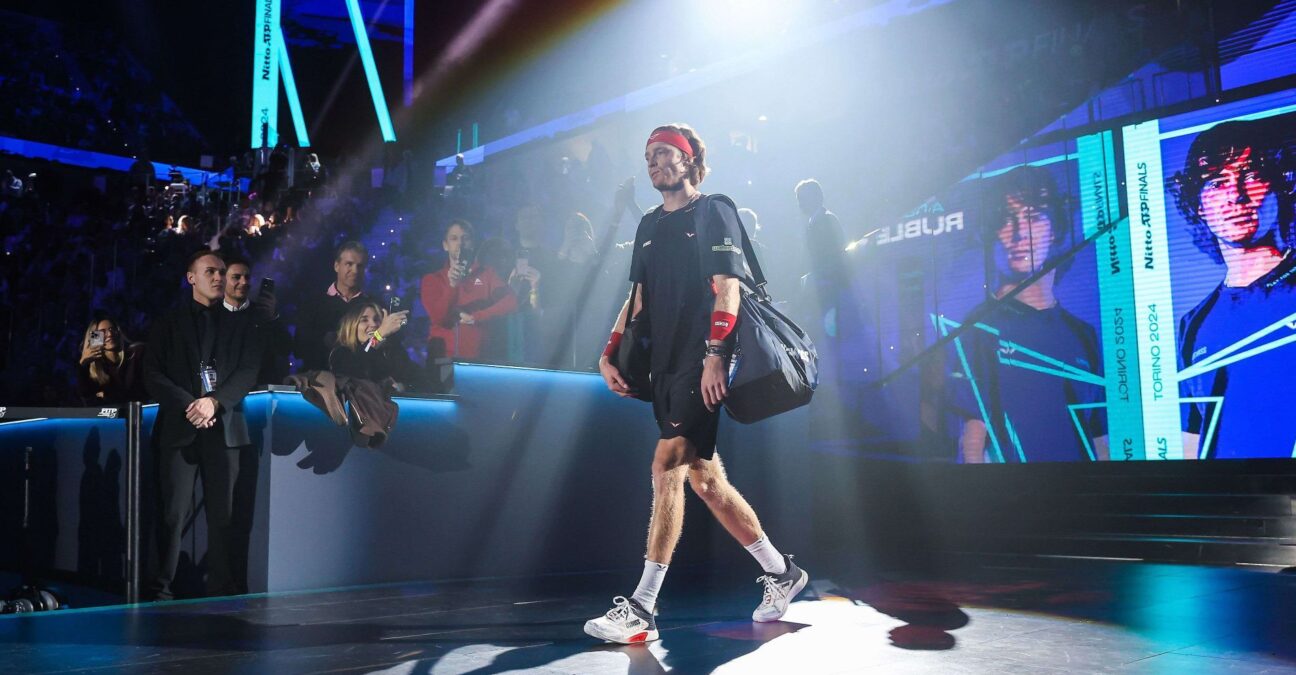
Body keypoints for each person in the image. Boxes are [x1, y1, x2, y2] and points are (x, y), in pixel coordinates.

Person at [585, 124, 808, 645]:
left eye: (664, 153)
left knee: (666, 466)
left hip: (700, 359)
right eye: (648, 155)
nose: (654, 162)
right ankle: (782, 573)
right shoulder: (645, 225)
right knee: (705, 480)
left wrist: (714, 357)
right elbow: (636, 299)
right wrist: (607, 353)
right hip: (663, 364)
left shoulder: (714, 211)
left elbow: (727, 286)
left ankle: (641, 607)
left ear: (689, 160)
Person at [950, 166, 1107, 463]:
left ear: (1055, 229)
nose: (1020, 234)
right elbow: (972, 437)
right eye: (1005, 221)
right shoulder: (977, 328)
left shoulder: (1082, 334)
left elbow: (1100, 436)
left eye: (1033, 217)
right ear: (990, 234)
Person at [1170, 116, 1296, 459]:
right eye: (1216, 183)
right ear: (1198, 204)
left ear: (1279, 184)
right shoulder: (1193, 324)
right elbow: (1192, 444)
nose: (1236, 196)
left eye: (1252, 176)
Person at [143, 249, 263, 599]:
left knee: (224, 517)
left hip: (224, 430)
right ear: (191, 277)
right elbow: (152, 373)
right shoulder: (168, 322)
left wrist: (214, 402)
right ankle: (158, 590)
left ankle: (223, 588)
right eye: (210, 271)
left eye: (222, 272)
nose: (218, 277)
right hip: (179, 429)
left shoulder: (243, 322)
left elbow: (248, 371)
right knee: (171, 516)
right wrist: (190, 404)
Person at [420, 220, 518, 360]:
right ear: (445, 245)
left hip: (480, 359)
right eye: (454, 238)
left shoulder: (486, 274)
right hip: (443, 360)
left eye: (465, 238)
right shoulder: (432, 279)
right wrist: (452, 285)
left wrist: (477, 317)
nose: (460, 243)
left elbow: (511, 302)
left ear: (472, 244)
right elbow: (439, 318)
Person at [295, 241, 371, 372]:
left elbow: (379, 345)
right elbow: (298, 348)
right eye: (349, 264)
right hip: (319, 378)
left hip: (360, 381)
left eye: (360, 266)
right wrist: (323, 340)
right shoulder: (313, 302)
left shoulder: (372, 305)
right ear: (337, 266)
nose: (355, 270)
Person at [222, 255, 290, 385]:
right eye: (236, 277)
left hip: (261, 388)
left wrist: (272, 318)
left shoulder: (262, 312)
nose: (243, 282)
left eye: (247, 277)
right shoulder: (213, 315)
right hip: (225, 391)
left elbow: (285, 348)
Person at [328, 301, 414, 389]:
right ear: (351, 326)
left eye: (376, 319)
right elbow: (357, 368)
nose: (373, 324)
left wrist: (402, 386)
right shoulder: (341, 354)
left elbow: (415, 379)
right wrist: (378, 335)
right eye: (364, 320)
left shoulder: (391, 353)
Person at [75, 317, 147, 404]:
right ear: (94, 337)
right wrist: (82, 364)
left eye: (112, 329)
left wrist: (108, 395)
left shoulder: (137, 352)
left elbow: (141, 392)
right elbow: (88, 400)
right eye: (102, 332)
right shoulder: (91, 367)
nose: (109, 334)